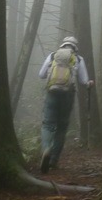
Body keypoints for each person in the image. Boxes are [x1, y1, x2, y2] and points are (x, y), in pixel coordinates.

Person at [38, 36, 93, 173]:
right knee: (62, 127)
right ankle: (54, 160)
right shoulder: (78, 59)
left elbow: (41, 74)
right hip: (68, 95)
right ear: (75, 47)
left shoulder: (53, 56)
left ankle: (46, 150)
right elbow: (83, 80)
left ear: (63, 45)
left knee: (48, 124)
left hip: (52, 92)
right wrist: (89, 83)